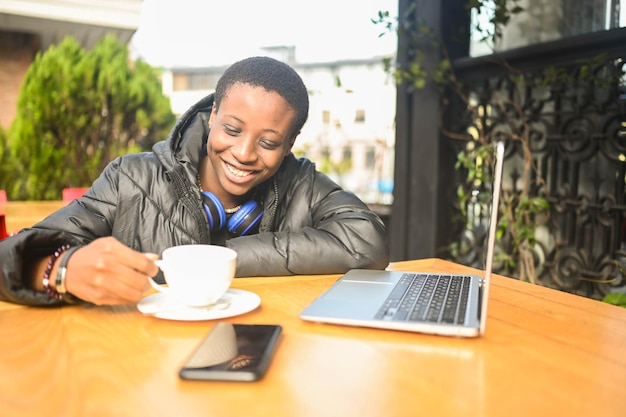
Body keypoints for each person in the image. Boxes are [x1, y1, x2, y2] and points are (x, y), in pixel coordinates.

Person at [0, 56, 389, 306]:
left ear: (289, 144)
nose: (244, 153)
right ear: (213, 112)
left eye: (269, 142)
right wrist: (60, 270)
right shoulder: (131, 178)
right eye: (232, 129)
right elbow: (10, 256)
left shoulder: (302, 183)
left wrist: (224, 259)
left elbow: (367, 241)